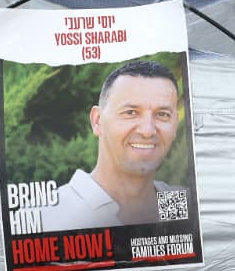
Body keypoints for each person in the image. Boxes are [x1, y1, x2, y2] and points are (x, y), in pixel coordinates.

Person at [38, 59, 190, 230]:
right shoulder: (47, 216)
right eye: (130, 112)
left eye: (162, 114)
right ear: (97, 121)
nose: (148, 131)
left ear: (175, 123)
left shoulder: (180, 203)